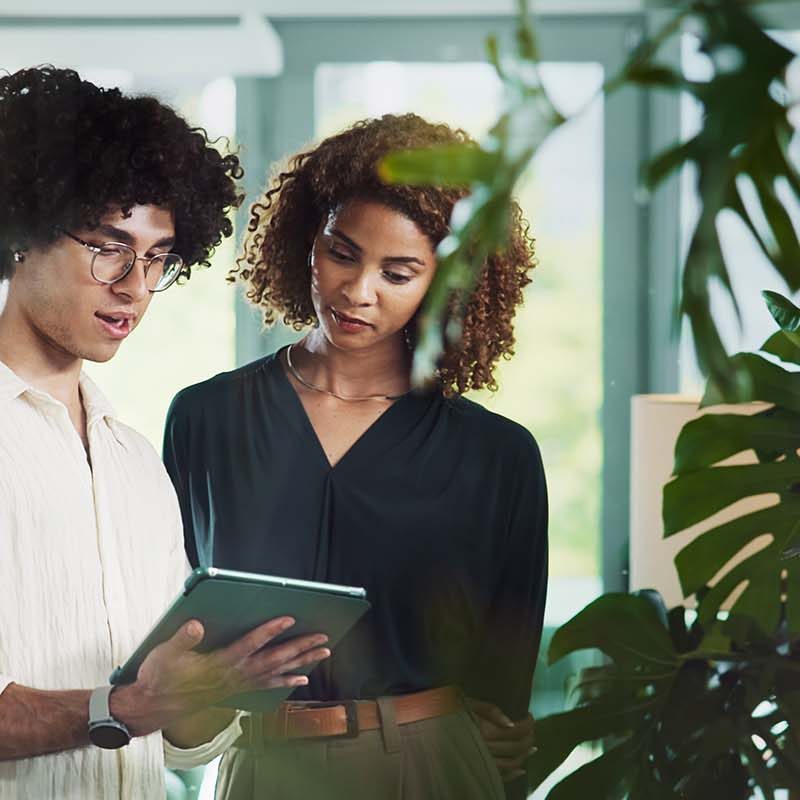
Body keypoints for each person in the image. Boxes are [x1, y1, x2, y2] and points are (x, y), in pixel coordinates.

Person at [164, 113, 547, 800]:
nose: (357, 290)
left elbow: (504, 700)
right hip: (261, 768)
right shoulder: (206, 419)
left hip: (429, 769)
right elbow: (179, 623)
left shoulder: (497, 456)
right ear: (305, 239)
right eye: (342, 253)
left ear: (448, 282)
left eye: (398, 273)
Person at [0, 66, 331, 800]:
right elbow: (129, 708)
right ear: (22, 231)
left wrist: (212, 688)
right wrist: (120, 708)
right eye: (109, 246)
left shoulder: (136, 463)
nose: (135, 286)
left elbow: (178, 745)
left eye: (157, 258)